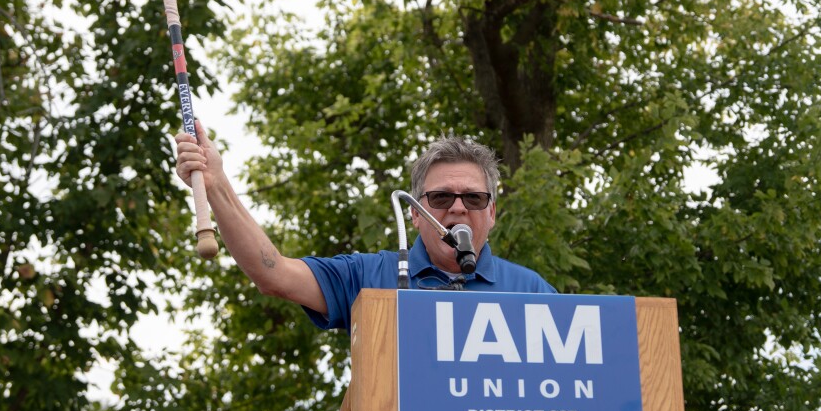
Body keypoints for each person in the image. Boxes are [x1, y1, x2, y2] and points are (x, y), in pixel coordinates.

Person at [175, 122, 556, 332]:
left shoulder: (533, 290)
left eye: (473, 199)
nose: (458, 208)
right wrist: (217, 186)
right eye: (441, 198)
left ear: (492, 213)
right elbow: (272, 273)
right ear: (415, 213)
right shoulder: (370, 274)